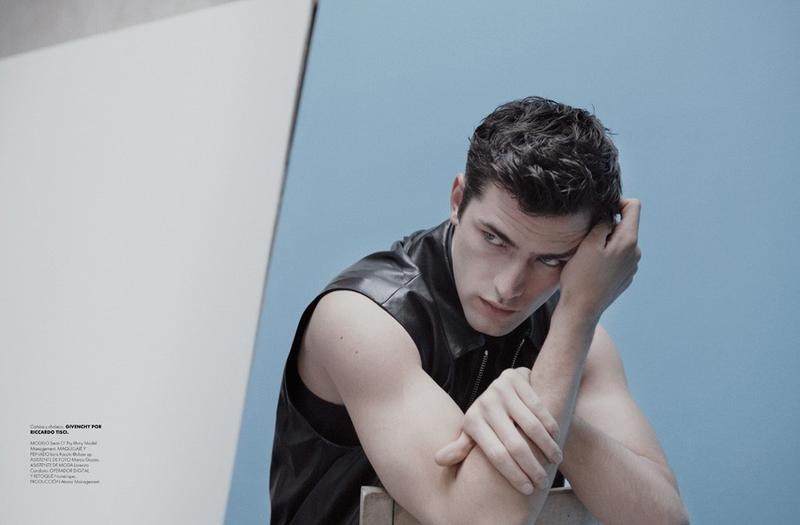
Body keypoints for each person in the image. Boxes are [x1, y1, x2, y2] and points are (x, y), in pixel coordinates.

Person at [269, 97, 688, 524]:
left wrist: (545, 409)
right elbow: (479, 520)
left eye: (550, 260)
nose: (508, 286)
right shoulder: (360, 321)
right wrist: (567, 345)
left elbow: (665, 520)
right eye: (494, 239)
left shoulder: (575, 334)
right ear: (458, 200)